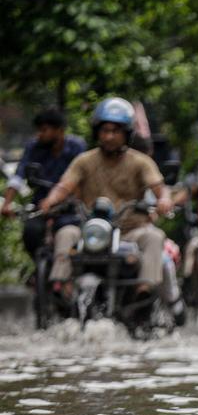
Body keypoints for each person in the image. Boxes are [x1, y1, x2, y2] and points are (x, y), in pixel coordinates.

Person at [39, 97, 173, 300]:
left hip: (130, 231)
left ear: (126, 134)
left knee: (154, 237)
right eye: (105, 131)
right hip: (91, 231)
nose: (109, 137)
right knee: (66, 233)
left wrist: (164, 200)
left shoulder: (141, 162)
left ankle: (144, 290)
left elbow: (160, 189)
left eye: (115, 131)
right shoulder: (84, 161)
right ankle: (62, 287)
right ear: (97, 133)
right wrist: (51, 200)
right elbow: (64, 186)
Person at [1, 108, 87, 258]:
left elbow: (82, 178)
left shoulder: (76, 147)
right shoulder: (34, 147)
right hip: (40, 207)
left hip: (70, 207)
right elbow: (19, 175)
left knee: (72, 236)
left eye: (44, 130)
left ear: (59, 131)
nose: (39, 134)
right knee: (31, 233)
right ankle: (39, 272)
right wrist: (7, 203)